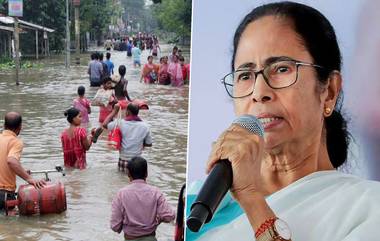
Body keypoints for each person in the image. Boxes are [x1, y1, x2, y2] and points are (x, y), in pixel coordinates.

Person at [187, 2, 380, 241]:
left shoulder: (369, 208)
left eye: (281, 69)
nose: (259, 91)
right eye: (245, 75)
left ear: (329, 90)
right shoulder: (197, 202)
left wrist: (252, 200)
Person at [110, 156, 175, 241]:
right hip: (151, 238)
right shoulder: (155, 192)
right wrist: (157, 220)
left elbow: (115, 226)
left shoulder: (121, 194)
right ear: (146, 173)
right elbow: (169, 216)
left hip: (130, 238)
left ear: (128, 173)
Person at [0, 112, 46, 211]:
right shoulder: (15, 142)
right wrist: (29, 179)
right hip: (4, 194)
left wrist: (22, 171)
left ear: (4, 125)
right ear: (20, 127)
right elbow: (11, 161)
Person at [103, 103, 152, 173]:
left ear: (127, 112)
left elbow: (105, 124)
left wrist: (114, 111)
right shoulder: (145, 126)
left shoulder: (119, 123)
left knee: (121, 182)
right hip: (137, 162)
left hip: (123, 160)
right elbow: (149, 144)